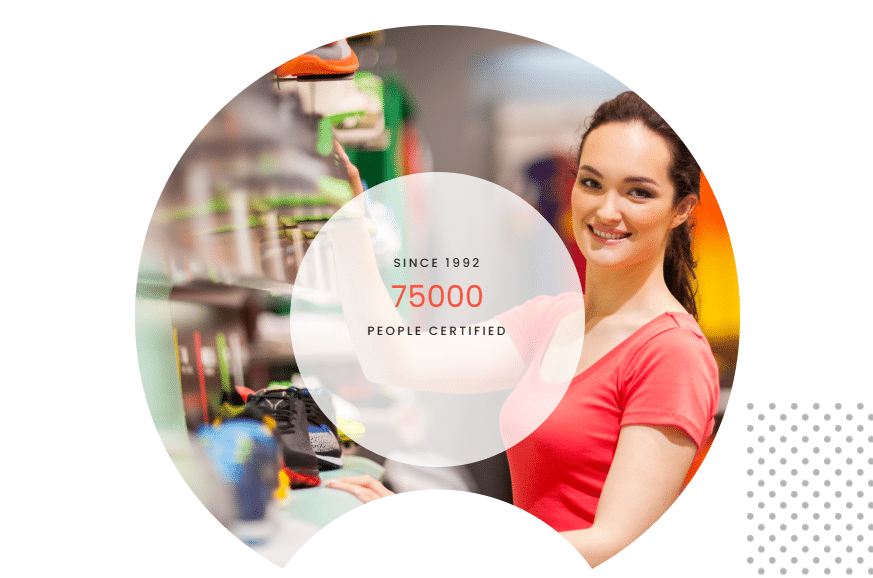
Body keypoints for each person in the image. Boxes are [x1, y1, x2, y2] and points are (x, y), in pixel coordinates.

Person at [322, 91, 719, 568]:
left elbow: (614, 544)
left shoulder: (672, 353)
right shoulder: (549, 320)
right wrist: (349, 229)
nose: (606, 210)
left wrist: (444, 542)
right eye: (592, 183)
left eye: (638, 192)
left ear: (682, 208)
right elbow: (395, 359)